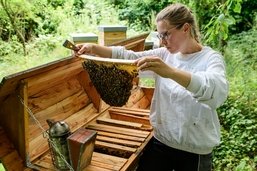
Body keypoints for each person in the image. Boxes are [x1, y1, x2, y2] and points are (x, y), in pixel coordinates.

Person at [74, 3, 229, 171]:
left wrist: (170, 72)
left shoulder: (210, 58)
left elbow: (215, 90)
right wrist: (93, 47)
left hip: (195, 151)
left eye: (166, 35)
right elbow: (129, 57)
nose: (162, 42)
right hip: (161, 143)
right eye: (159, 36)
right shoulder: (164, 54)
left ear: (185, 28)